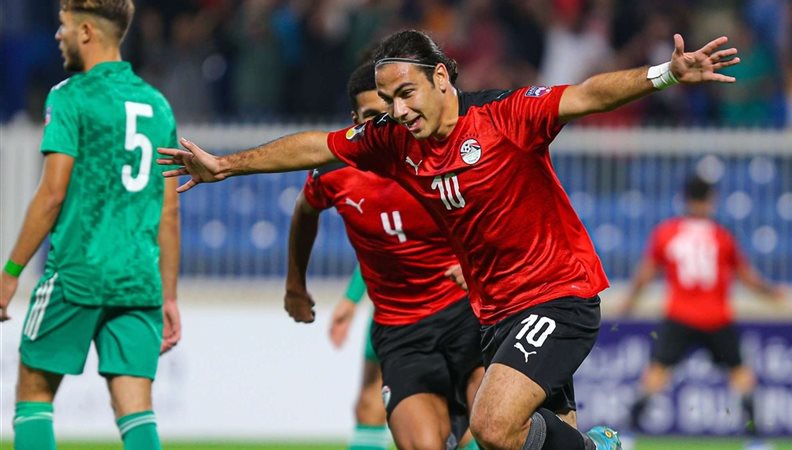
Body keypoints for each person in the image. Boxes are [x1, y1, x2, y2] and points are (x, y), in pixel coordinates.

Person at [158, 29, 740, 450]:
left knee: (491, 428)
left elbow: (587, 95)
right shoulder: (393, 142)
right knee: (535, 440)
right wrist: (226, 165)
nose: (397, 110)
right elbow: (316, 146)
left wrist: (666, 74)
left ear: (440, 77)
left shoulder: (506, 117)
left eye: (406, 93)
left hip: (557, 296)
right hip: (495, 313)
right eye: (388, 100)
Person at [0, 1, 182, 449]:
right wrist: (169, 295)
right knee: (136, 409)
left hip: (77, 274)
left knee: (33, 393)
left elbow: (52, 194)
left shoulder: (70, 96)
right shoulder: (158, 106)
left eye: (62, 26)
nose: (57, 36)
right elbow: (169, 212)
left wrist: (10, 273)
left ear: (85, 31)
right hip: (139, 281)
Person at [284, 62, 483, 450]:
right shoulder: (334, 171)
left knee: (494, 425)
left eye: (389, 112)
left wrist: (473, 260)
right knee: (394, 423)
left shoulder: (438, 155)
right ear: (354, 121)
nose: (382, 125)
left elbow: (497, 214)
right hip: (401, 329)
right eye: (370, 116)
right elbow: (305, 210)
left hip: (464, 312)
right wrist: (296, 285)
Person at [619, 176, 785, 437]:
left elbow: (646, 274)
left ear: (685, 198)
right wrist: (771, 292)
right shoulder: (722, 235)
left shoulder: (667, 232)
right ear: (711, 199)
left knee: (656, 373)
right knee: (740, 373)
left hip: (679, 315)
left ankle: (628, 433)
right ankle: (755, 438)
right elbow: (746, 276)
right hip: (716, 317)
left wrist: (629, 302)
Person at [329, 266, 391, 450]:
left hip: (445, 300)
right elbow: (377, 248)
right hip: (390, 304)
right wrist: (351, 298)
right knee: (368, 406)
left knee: (452, 409)